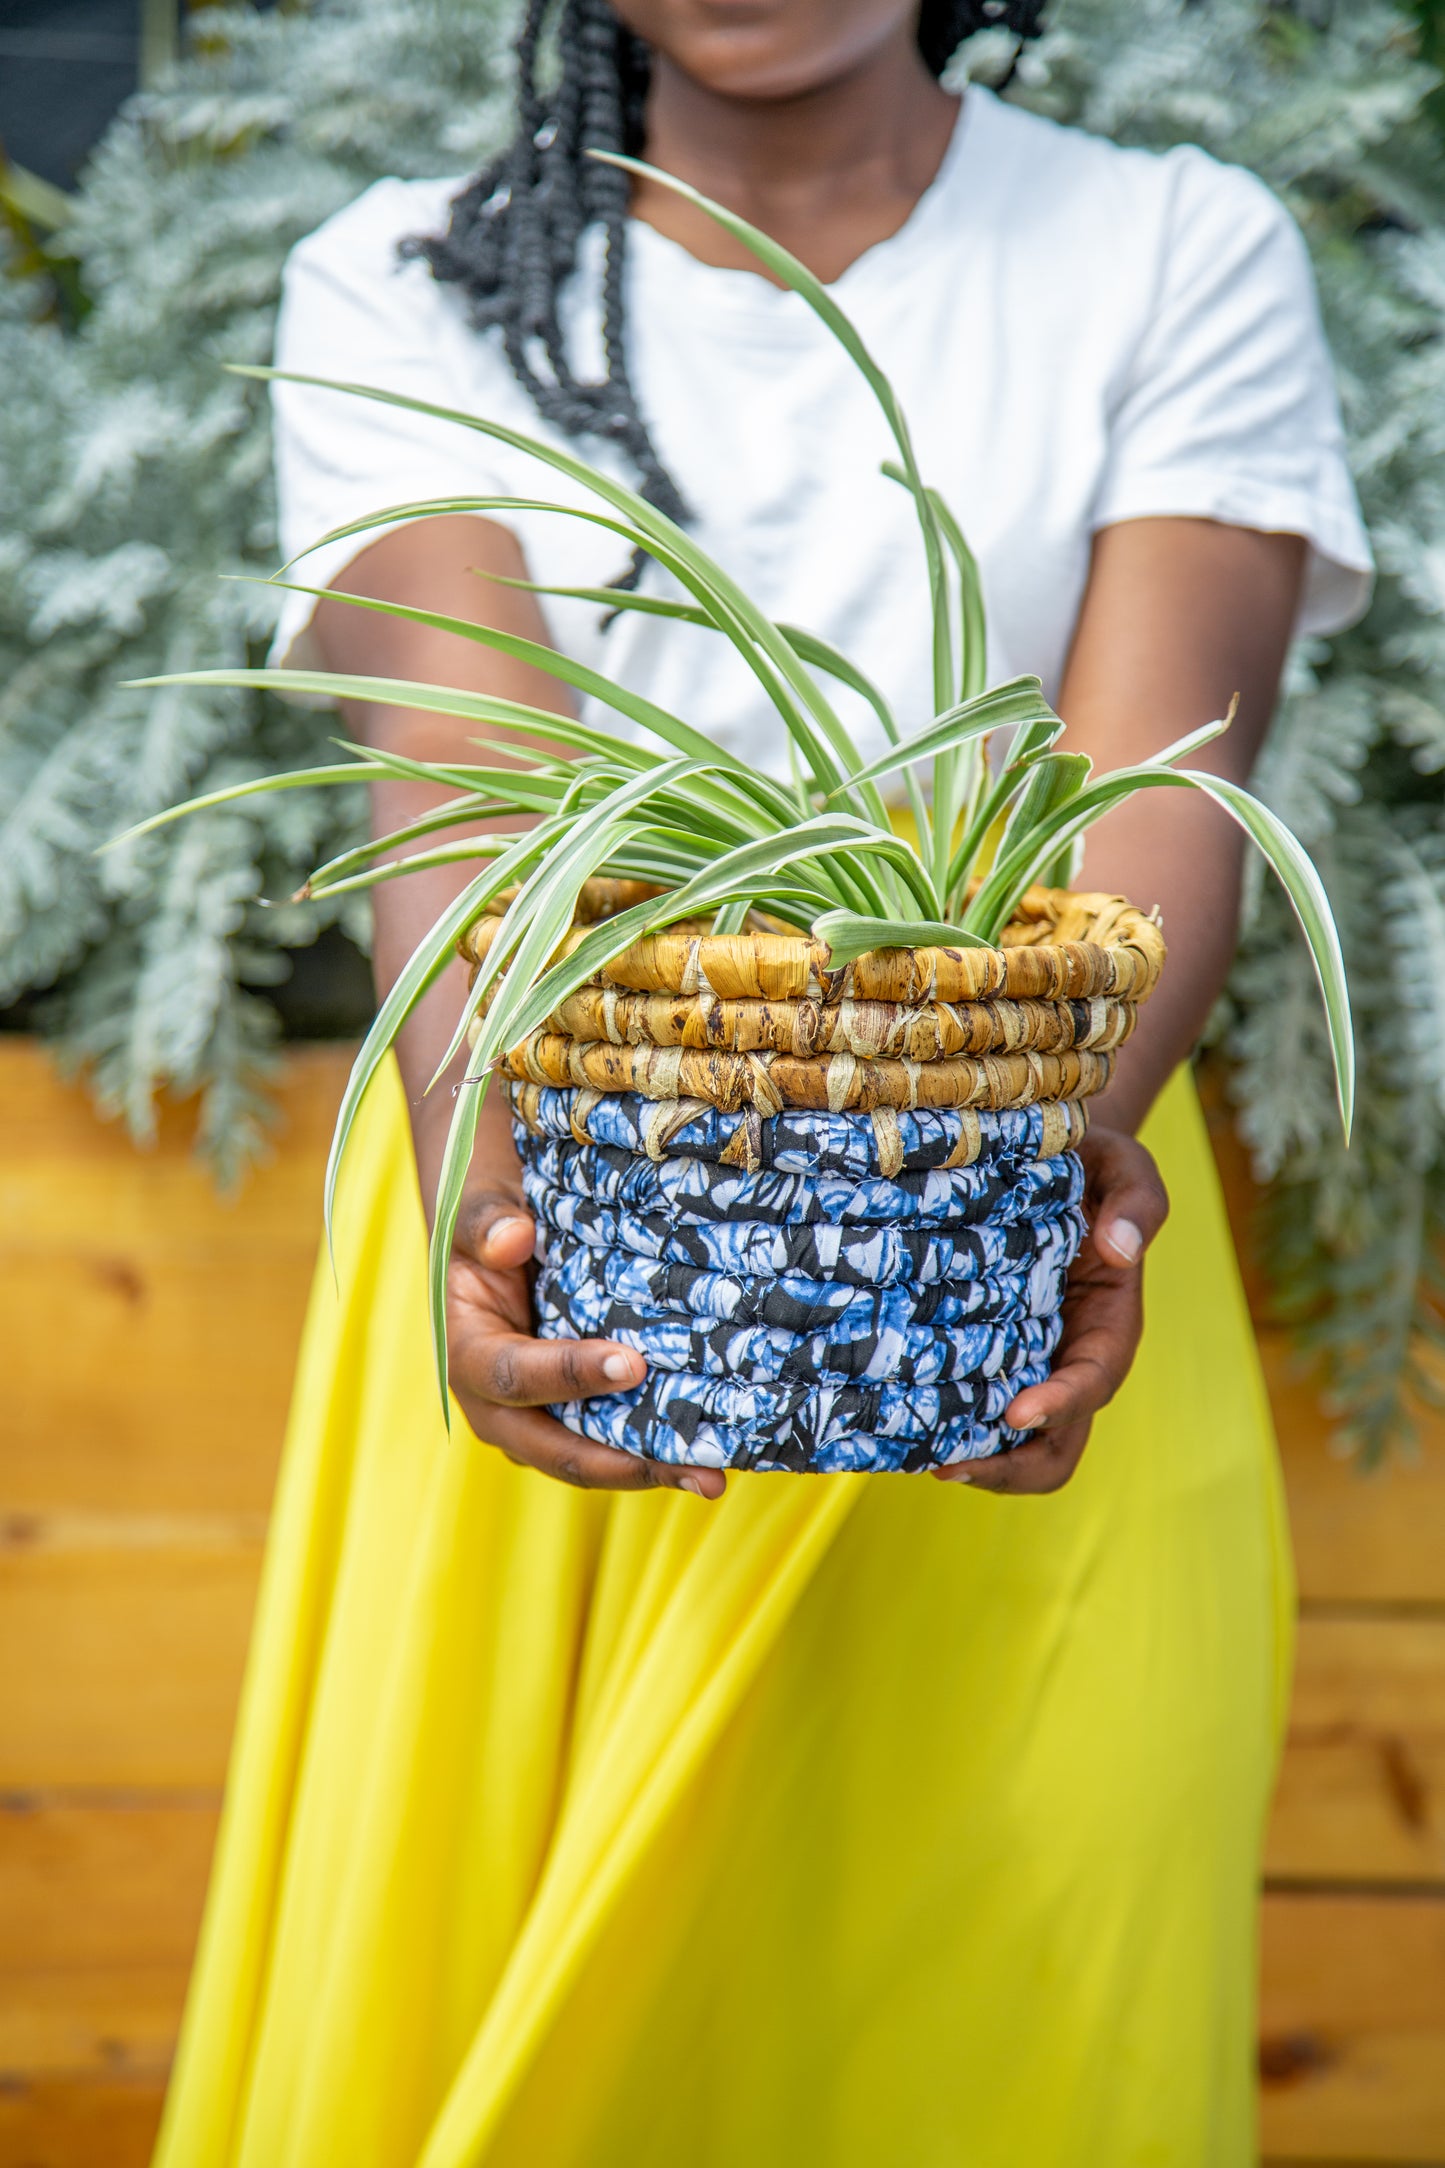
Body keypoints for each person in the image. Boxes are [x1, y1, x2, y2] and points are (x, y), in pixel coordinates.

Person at [154, 3, 1373, 2162]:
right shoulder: (402, 279)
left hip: (1019, 1289)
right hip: (562, 1262)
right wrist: (491, 1216)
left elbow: (1152, 813)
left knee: (1014, 2057)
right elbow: (461, 794)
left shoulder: (1177, 247)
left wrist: (1025, 1178)